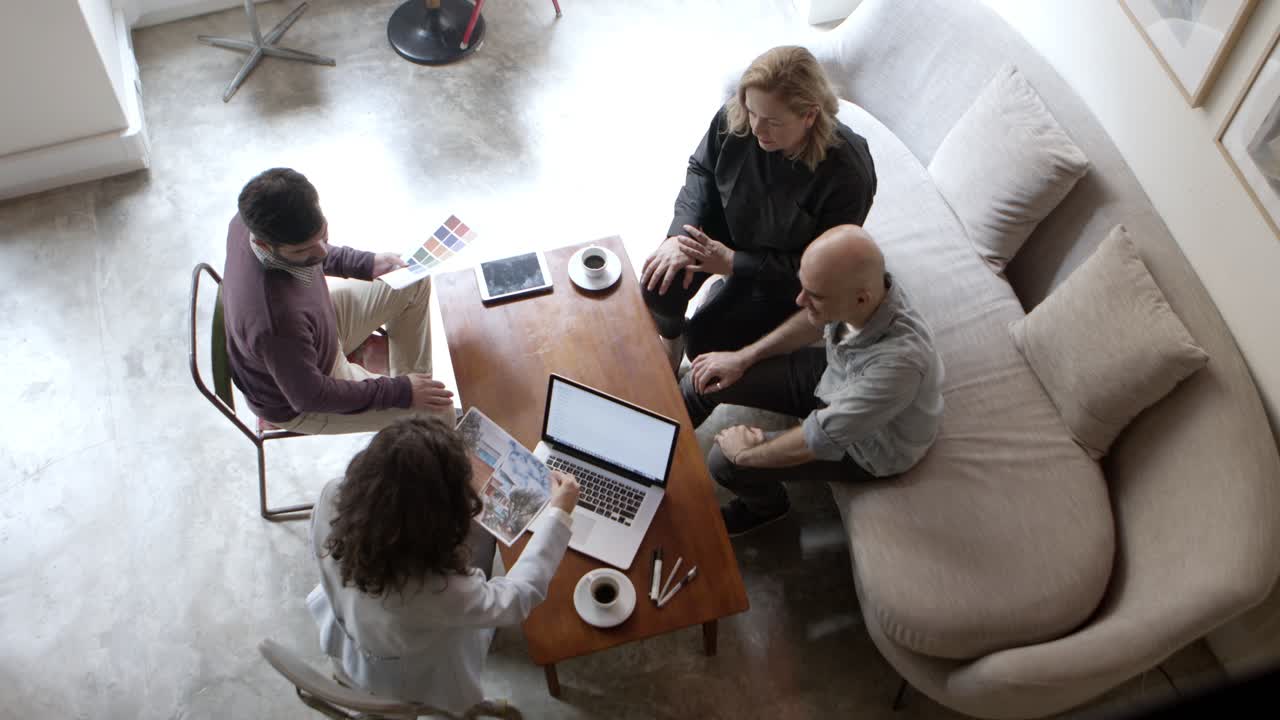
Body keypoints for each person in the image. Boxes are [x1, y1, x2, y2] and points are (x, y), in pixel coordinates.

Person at [307, 416, 581, 713]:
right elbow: (515, 599)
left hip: (353, 630)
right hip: (410, 679)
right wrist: (558, 516)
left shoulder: (332, 495)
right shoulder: (436, 591)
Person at [682, 225, 943, 536]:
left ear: (861, 299)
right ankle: (658, 449)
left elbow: (818, 437)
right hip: (837, 376)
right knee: (703, 378)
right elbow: (811, 321)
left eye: (815, 295)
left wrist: (745, 455)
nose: (800, 299)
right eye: (803, 287)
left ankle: (767, 508)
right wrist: (743, 357)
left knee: (724, 462)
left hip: (869, 444)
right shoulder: (868, 295)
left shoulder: (899, 365)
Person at [641, 45, 877, 372]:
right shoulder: (738, 114)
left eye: (772, 122)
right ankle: (672, 341)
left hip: (781, 268)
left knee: (705, 342)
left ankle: (719, 301)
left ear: (809, 115)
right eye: (751, 113)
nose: (756, 129)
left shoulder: (849, 175)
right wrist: (679, 236)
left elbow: (823, 267)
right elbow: (702, 169)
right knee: (658, 285)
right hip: (727, 225)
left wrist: (735, 263)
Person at [221, 167, 454, 434]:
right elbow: (310, 395)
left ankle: (415, 390)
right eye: (304, 250)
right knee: (438, 413)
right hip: (305, 397)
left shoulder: (249, 219)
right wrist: (398, 392)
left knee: (413, 278)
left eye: (323, 236)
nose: (321, 253)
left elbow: (311, 249)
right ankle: (415, 415)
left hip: (315, 331)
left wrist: (366, 263)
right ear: (264, 245)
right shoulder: (273, 321)